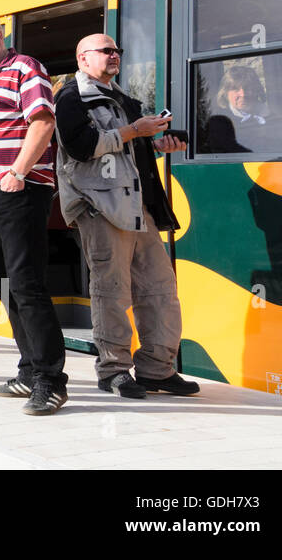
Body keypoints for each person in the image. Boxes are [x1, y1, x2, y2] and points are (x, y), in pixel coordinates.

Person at [54, 34, 199, 397]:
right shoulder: (71, 97)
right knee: (112, 291)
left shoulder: (125, 99)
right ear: (83, 58)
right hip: (101, 207)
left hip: (140, 209)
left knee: (160, 289)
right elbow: (81, 146)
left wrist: (160, 142)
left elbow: (134, 153)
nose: (115, 55)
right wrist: (135, 131)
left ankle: (156, 369)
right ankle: (113, 370)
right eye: (106, 51)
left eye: (117, 50)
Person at [0, 12, 68, 415]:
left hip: (17, 193)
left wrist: (18, 172)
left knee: (28, 284)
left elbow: (42, 122)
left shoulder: (25, 67)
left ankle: (51, 380)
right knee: (8, 286)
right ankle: (29, 370)